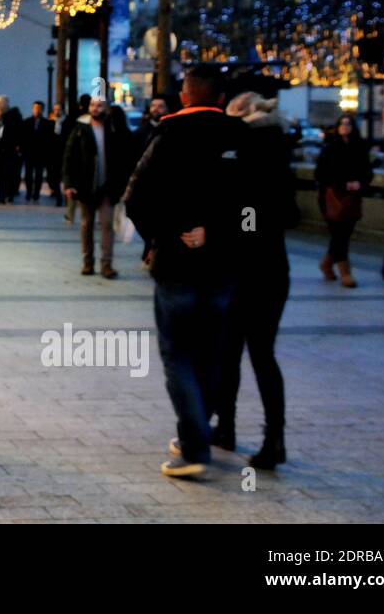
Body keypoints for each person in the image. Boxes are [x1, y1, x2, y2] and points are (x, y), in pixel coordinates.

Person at [124, 65, 247, 478]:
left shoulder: (168, 134)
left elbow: (135, 198)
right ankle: (197, 431)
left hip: (176, 264)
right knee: (211, 353)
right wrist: (216, 232)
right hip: (223, 265)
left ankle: (194, 446)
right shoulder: (240, 136)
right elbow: (255, 207)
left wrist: (168, 235)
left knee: (177, 354)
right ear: (219, 97)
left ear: (185, 94)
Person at [214, 92, 298, 469]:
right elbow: (290, 213)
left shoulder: (245, 152)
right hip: (273, 268)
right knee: (263, 354)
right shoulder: (279, 151)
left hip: (244, 268)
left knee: (230, 351)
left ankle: (228, 427)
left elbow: (243, 213)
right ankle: (273, 437)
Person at [62, 98, 135, 278]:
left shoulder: (114, 129)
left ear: (106, 108)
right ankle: (88, 262)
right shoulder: (80, 129)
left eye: (100, 105)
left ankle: (106, 264)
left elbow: (124, 158)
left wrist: (122, 186)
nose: (96, 109)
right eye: (93, 105)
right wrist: (69, 183)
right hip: (86, 186)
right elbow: (69, 157)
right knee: (86, 225)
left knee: (107, 225)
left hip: (107, 187)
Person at [315, 114, 373, 288]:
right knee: (339, 235)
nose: (345, 127)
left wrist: (360, 183)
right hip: (332, 196)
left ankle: (326, 263)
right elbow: (321, 174)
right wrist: (344, 183)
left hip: (352, 197)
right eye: (342, 124)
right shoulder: (330, 148)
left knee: (343, 235)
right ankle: (345, 272)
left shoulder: (359, 148)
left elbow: (367, 172)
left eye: (348, 124)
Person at [19, 101, 54, 201]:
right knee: (28, 175)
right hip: (29, 153)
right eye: (35, 108)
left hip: (41, 153)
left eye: (39, 108)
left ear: (42, 110)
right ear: (32, 109)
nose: (37, 110)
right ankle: (29, 192)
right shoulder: (27, 122)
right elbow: (23, 138)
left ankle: (36, 194)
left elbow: (49, 139)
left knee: (39, 175)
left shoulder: (47, 123)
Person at [0, 96, 24, 203]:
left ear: (6, 103)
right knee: (0, 174)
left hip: (10, 149)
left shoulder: (13, 115)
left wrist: (18, 146)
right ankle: (1, 195)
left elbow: (18, 131)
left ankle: (9, 194)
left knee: (10, 173)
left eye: (1, 103)